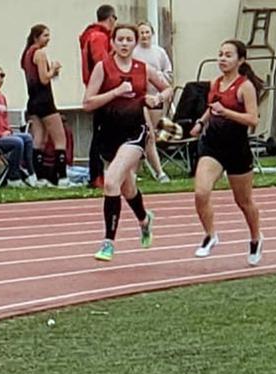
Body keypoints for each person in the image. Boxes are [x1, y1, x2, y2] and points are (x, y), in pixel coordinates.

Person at [82, 24, 172, 261]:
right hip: (108, 134)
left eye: (128, 40)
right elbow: (88, 103)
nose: (124, 44)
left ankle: (108, 243)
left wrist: (157, 98)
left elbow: (168, 88)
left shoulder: (144, 69)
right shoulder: (103, 68)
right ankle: (144, 219)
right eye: (119, 39)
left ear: (134, 43)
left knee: (111, 182)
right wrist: (115, 92)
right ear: (112, 43)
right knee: (127, 187)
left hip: (135, 133)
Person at [190, 39, 264, 266]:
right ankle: (210, 235)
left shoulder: (245, 86)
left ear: (240, 60)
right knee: (201, 192)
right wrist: (201, 123)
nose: (222, 59)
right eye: (220, 54)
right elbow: (212, 109)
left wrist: (228, 112)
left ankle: (255, 238)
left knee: (243, 201)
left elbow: (253, 120)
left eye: (228, 55)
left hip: (236, 149)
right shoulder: (215, 83)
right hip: (212, 146)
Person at [0, 65, 42, 188]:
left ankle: (31, 174)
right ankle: (13, 177)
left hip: (3, 137)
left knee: (27, 137)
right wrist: (0, 133)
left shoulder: (1, 97)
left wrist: (8, 131)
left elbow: (4, 121)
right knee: (17, 142)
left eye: (2, 76)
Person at [21, 24, 73, 187]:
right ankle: (62, 177)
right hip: (45, 99)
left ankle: (40, 177)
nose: (48, 39)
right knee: (60, 138)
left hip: (33, 99)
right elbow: (44, 78)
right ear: (36, 37)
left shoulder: (26, 54)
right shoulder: (40, 53)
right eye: (45, 36)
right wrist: (54, 69)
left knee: (39, 139)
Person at [79, 4, 117, 188]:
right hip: (102, 91)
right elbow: (102, 63)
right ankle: (97, 175)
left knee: (102, 133)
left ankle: (102, 173)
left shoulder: (90, 35)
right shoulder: (98, 37)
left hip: (97, 90)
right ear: (111, 18)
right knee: (102, 134)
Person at [134, 21, 173, 183]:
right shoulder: (134, 52)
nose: (144, 36)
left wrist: (157, 76)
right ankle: (150, 170)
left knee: (153, 134)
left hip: (156, 96)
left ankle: (147, 167)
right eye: (141, 33)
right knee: (144, 133)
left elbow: (168, 73)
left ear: (152, 34)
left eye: (147, 32)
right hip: (139, 98)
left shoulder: (159, 52)